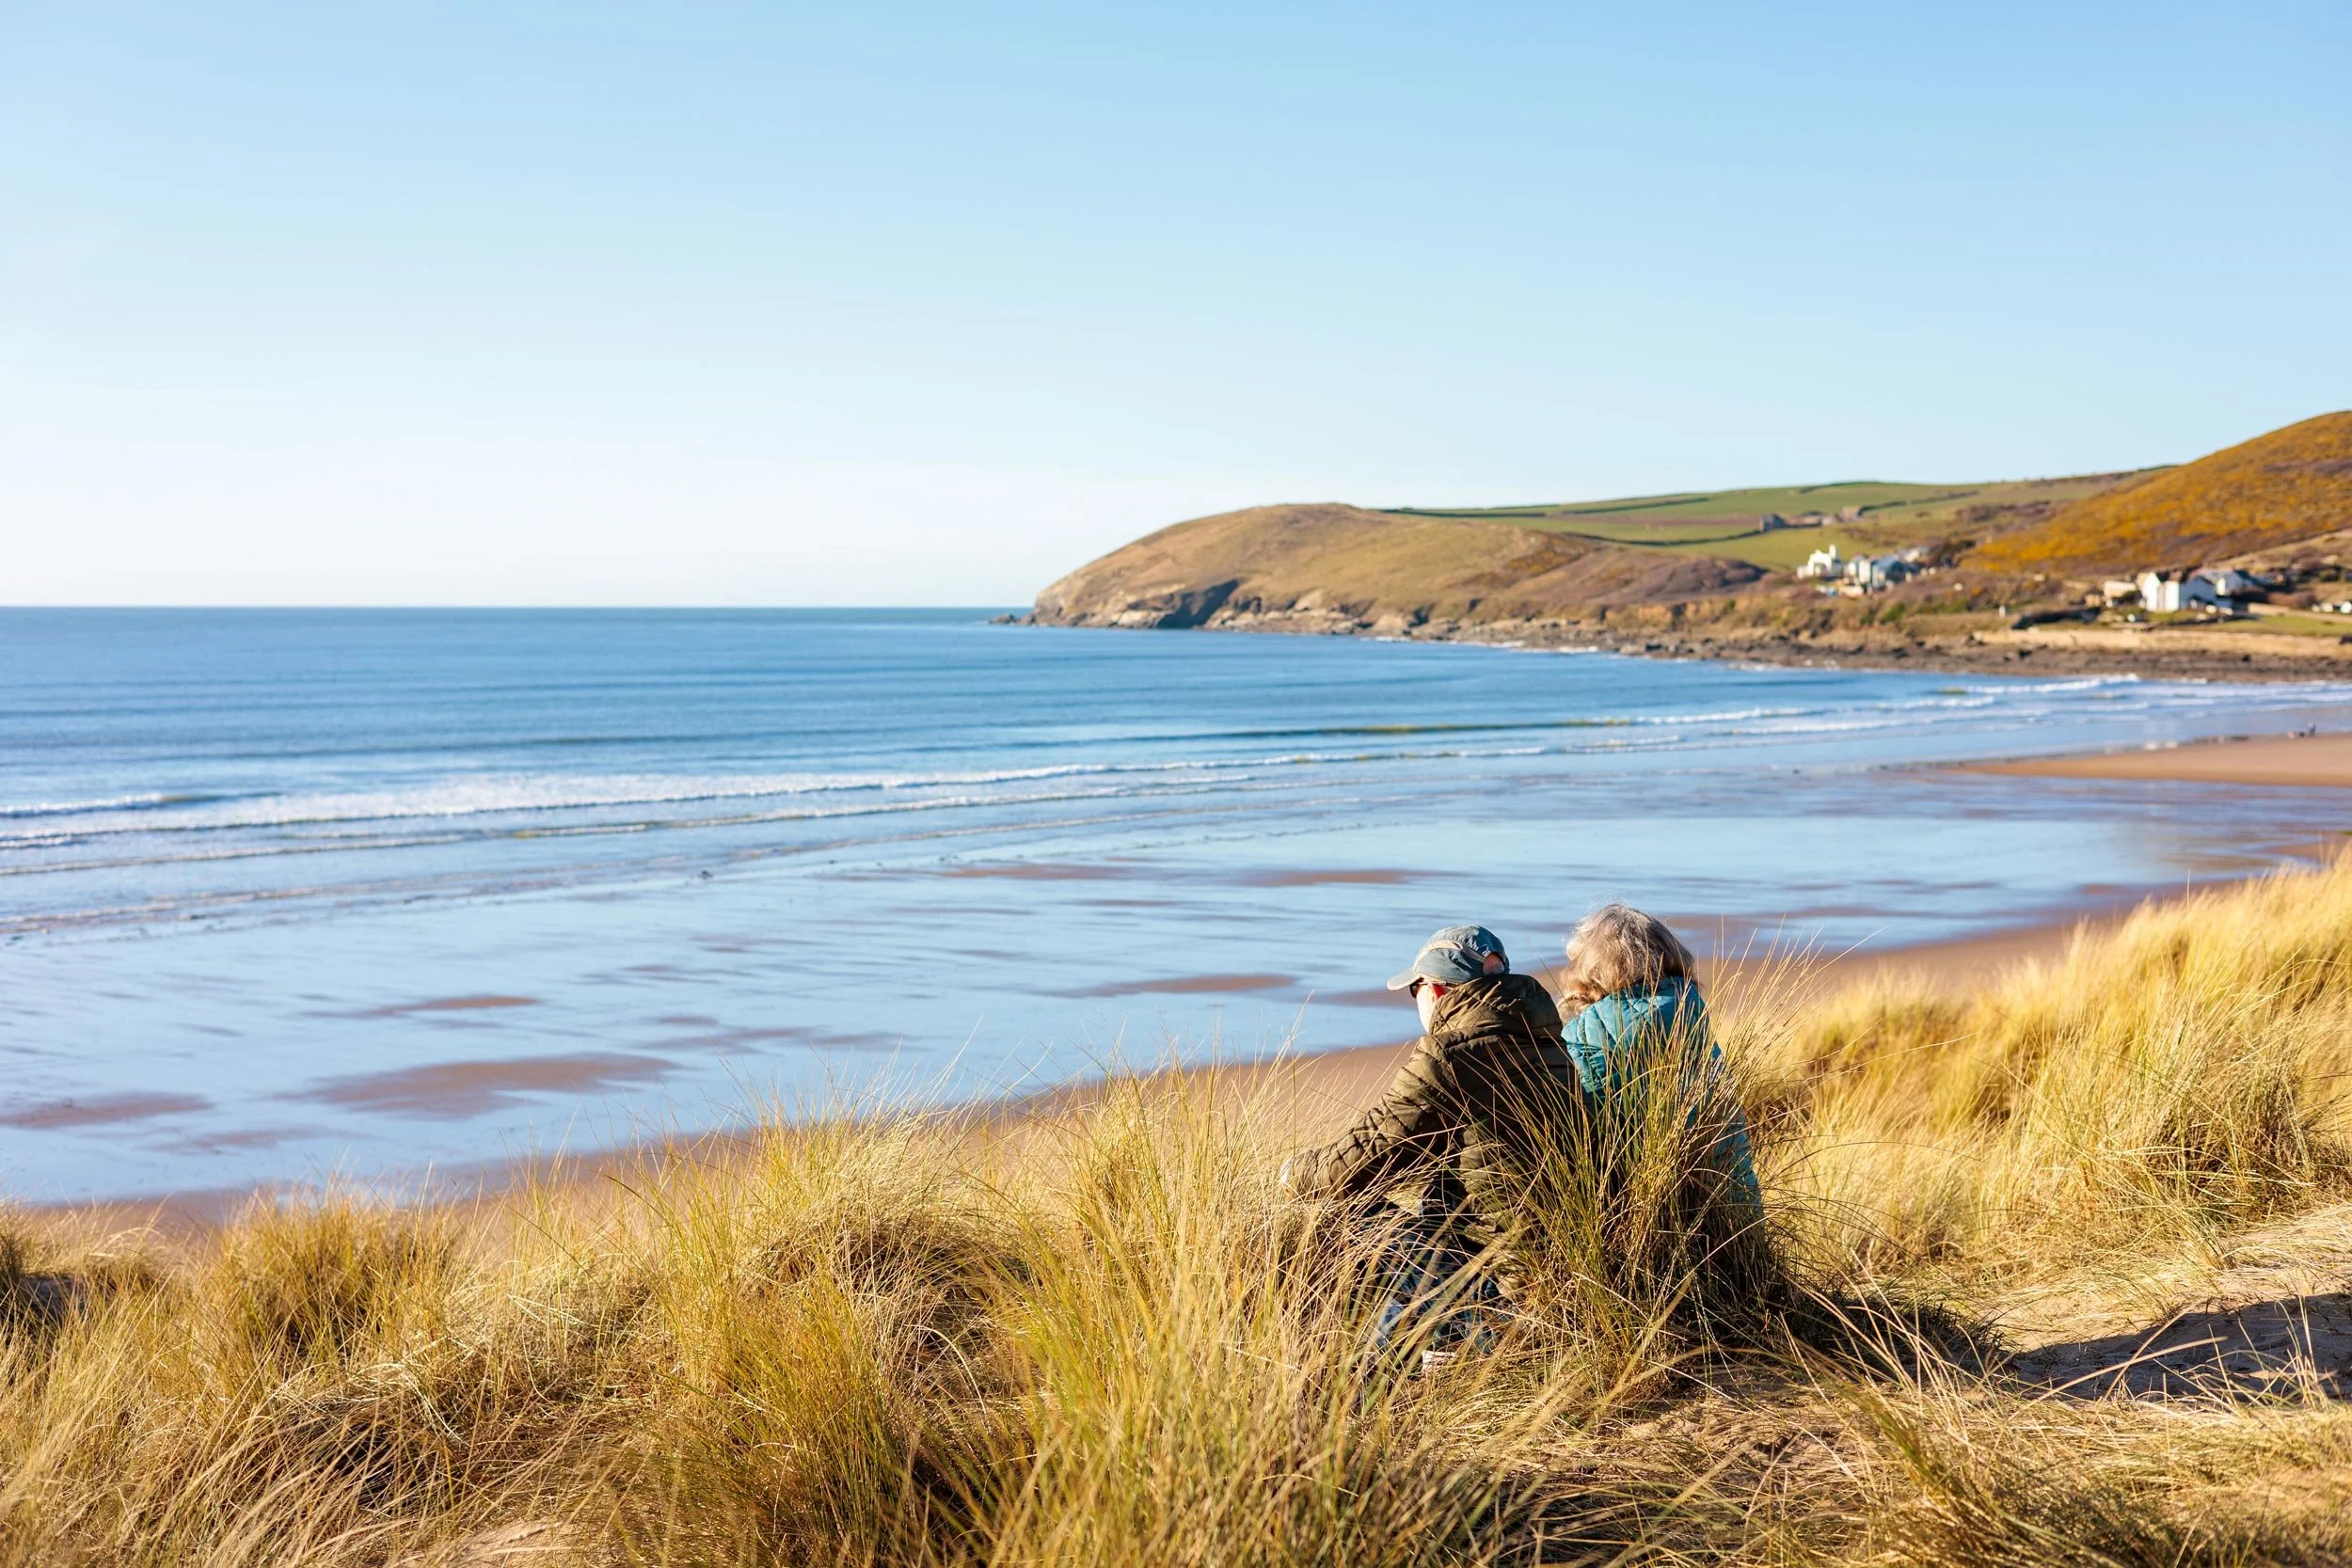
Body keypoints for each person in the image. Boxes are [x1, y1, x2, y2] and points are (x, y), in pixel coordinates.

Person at [1282, 924, 1579, 1357]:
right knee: (1426, 1208)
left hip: (1509, 1289)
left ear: (1437, 990)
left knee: (1342, 1205)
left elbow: (1371, 1149)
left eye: (1415, 989)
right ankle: (1438, 1345)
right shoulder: (1547, 1038)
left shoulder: (1451, 1052)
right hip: (1560, 1269)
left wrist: (1294, 1173)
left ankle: (1371, 1381)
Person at [1554, 903, 1759, 1212]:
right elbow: (1730, 1140)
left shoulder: (1583, 1037)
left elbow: (1581, 1145)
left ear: (1591, 970)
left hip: (1626, 1219)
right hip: (1728, 1215)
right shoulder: (1692, 1016)